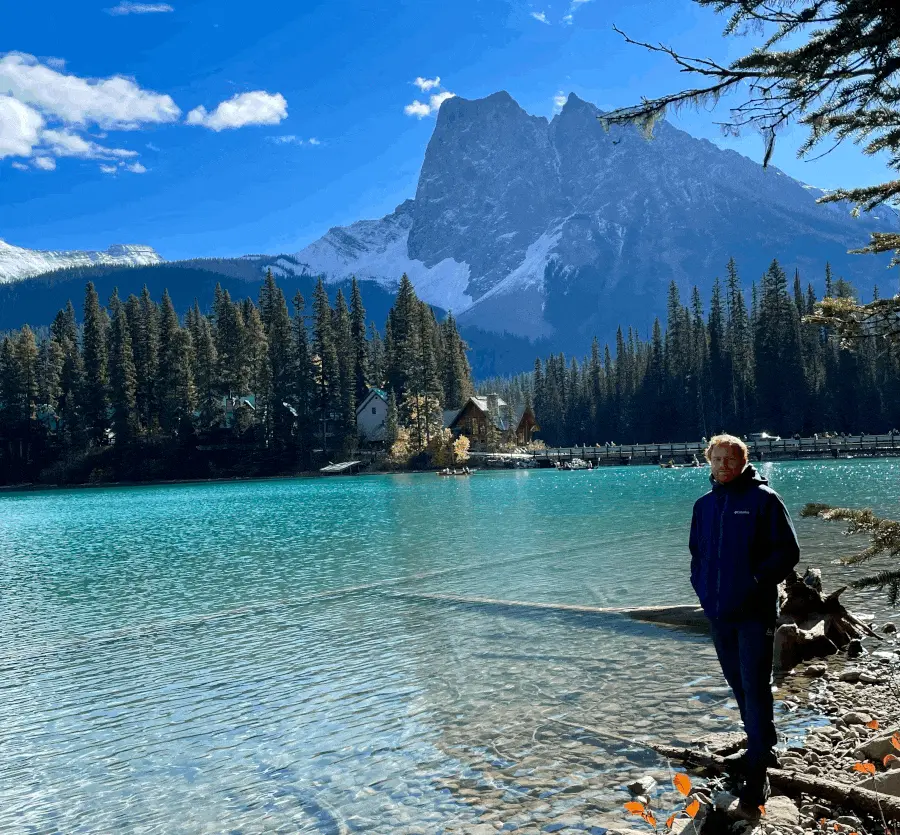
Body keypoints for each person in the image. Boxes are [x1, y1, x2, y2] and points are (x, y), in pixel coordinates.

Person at [689, 434, 800, 818]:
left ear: (743, 461)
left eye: (731, 459)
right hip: (719, 614)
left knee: (755, 685)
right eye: (717, 459)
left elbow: (788, 552)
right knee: (737, 683)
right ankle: (761, 744)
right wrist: (703, 591)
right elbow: (696, 556)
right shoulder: (704, 505)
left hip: (754, 614)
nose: (724, 465)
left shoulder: (763, 500)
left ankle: (757, 770)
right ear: (709, 460)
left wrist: (754, 581)